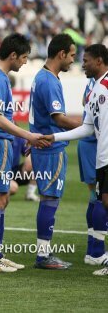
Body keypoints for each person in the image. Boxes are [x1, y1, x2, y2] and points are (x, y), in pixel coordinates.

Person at [0, 33, 47, 273]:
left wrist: (19, 136)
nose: (25, 62)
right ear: (13, 55)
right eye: (24, 57)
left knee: (2, 199)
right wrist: (27, 135)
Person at [42, 44, 108, 276]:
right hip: (102, 159)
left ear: (99, 61)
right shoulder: (95, 90)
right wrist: (53, 136)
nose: (82, 64)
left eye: (87, 60)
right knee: (103, 203)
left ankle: (98, 252)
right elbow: (88, 127)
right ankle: (97, 253)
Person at [29, 33, 82, 269]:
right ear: (61, 54)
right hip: (51, 149)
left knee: (48, 200)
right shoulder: (49, 81)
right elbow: (59, 119)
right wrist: (89, 128)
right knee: (50, 201)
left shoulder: (43, 76)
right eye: (71, 55)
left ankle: (44, 253)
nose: (73, 60)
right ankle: (43, 256)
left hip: (44, 148)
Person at [79, 76, 107, 267]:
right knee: (99, 198)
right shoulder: (101, 84)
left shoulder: (95, 83)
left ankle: (93, 250)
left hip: (89, 145)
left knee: (93, 196)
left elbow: (84, 102)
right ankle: (96, 251)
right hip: (95, 145)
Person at [8, 136, 38, 201]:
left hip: (13, 171)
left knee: (37, 162)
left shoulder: (18, 137)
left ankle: (30, 194)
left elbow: (28, 150)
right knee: (13, 187)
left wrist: (30, 158)